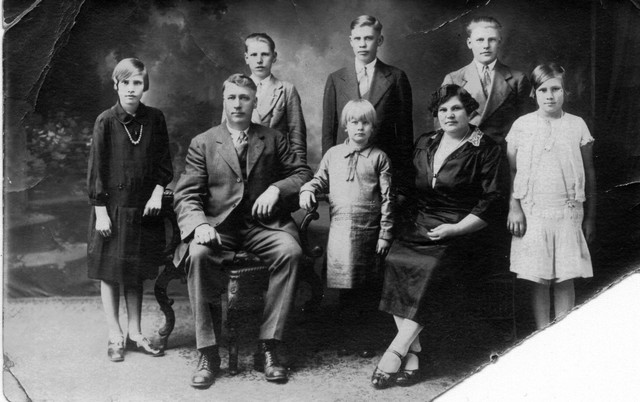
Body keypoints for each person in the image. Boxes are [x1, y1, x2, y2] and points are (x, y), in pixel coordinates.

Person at [173, 73, 312, 388]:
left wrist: (277, 189)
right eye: (232, 97)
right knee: (197, 255)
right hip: (219, 227)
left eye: (244, 98)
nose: (238, 104)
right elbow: (187, 195)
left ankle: (270, 346)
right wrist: (200, 224)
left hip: (263, 225)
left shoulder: (273, 138)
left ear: (254, 102)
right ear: (225, 101)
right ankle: (209, 352)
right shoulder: (204, 142)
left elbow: (302, 172)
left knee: (290, 252)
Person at [373, 85, 507, 389]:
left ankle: (395, 350)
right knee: (395, 258)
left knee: (429, 270)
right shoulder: (427, 142)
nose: (449, 114)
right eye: (443, 109)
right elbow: (407, 184)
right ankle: (413, 354)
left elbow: (492, 200)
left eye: (456, 108)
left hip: (463, 229)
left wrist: (456, 229)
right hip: (421, 221)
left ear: (470, 111)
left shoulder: (485, 147)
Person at [87, 57, 172, 362]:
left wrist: (157, 194)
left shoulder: (155, 119)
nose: (132, 89)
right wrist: (100, 212)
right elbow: (96, 169)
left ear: (144, 86)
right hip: (112, 209)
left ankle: (135, 333)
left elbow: (164, 163)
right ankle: (115, 334)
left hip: (143, 209)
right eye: (126, 83)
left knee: (134, 273)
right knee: (110, 274)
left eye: (137, 83)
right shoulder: (106, 121)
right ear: (117, 85)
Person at [299, 99, 393, 355]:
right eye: (354, 122)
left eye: (365, 123)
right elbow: (319, 179)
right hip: (341, 232)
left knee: (366, 289)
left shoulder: (379, 158)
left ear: (373, 127)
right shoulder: (333, 155)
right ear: (345, 126)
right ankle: (346, 339)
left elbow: (387, 199)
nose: (360, 128)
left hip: (369, 232)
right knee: (344, 289)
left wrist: (385, 234)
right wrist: (308, 188)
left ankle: (365, 340)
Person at [506, 63, 596, 329]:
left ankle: (564, 336)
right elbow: (512, 170)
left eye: (555, 89)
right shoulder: (522, 126)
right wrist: (514, 207)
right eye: (543, 89)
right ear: (533, 93)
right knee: (539, 277)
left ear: (565, 91)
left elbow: (589, 173)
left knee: (565, 277)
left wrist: (590, 217)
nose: (550, 95)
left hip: (568, 211)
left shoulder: (576, 125)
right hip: (533, 211)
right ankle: (543, 335)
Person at [322, 15, 413, 187]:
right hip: (344, 169)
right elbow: (329, 131)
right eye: (357, 38)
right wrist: (328, 174)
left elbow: (404, 134)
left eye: (368, 38)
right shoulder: (335, 79)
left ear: (380, 40)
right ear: (351, 41)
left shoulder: (396, 77)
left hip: (382, 170)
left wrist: (401, 182)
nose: (362, 44)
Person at [440, 16, 532, 144]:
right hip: (465, 154)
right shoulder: (453, 79)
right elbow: (441, 125)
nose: (486, 46)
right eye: (480, 40)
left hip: (502, 155)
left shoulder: (517, 79)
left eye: (492, 40)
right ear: (469, 43)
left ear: (500, 42)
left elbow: (527, 125)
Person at [222, 33, 307, 163]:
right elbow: (223, 134)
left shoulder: (286, 90)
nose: (259, 60)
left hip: (275, 166)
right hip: (241, 163)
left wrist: (298, 173)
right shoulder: (233, 89)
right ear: (246, 58)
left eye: (265, 54)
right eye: (254, 55)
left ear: (274, 57)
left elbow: (297, 139)